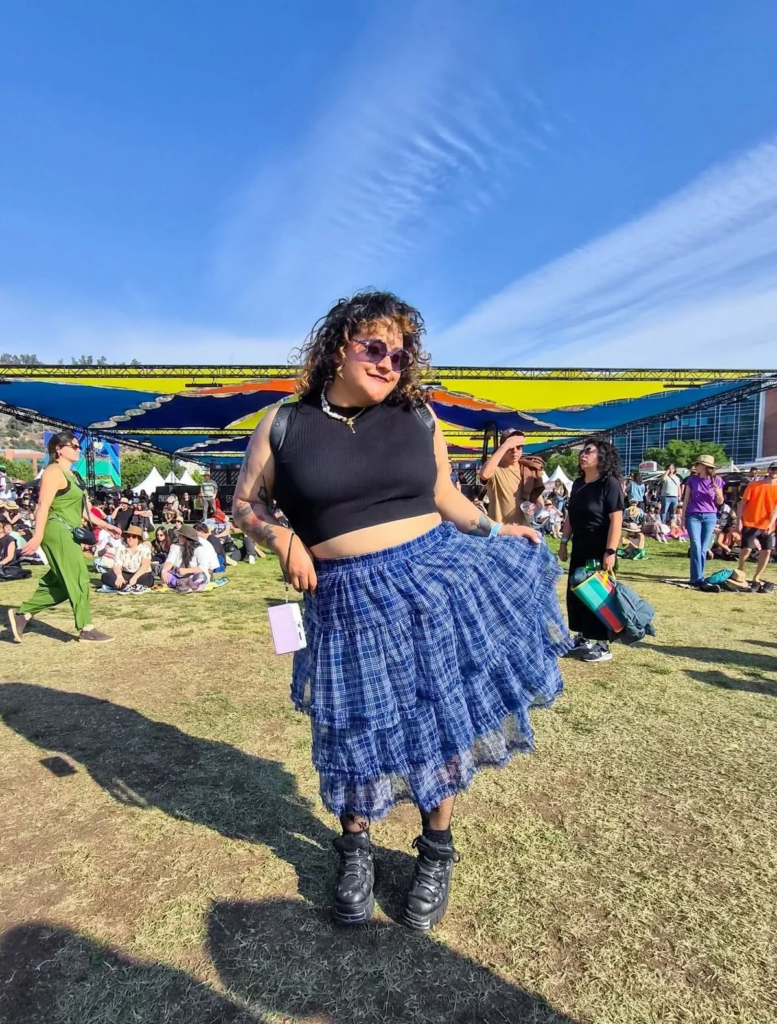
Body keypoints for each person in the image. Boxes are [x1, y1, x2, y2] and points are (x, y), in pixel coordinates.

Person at [232, 290, 571, 932]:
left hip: (430, 581)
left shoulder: (419, 416)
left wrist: (500, 533)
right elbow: (245, 504)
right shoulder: (282, 423)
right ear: (339, 346)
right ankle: (355, 851)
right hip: (342, 596)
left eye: (402, 353)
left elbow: (446, 495)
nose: (390, 362)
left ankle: (436, 852)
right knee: (352, 726)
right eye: (376, 347)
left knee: (435, 717)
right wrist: (284, 539)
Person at [7, 430, 119, 643]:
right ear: (58, 449)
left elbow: (84, 509)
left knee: (60, 581)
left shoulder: (73, 475)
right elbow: (42, 505)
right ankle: (86, 628)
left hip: (69, 531)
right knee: (78, 577)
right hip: (57, 529)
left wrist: (106, 525)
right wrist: (37, 536)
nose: (78, 449)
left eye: (79, 446)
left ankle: (23, 614)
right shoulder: (53, 472)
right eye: (73, 446)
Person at [558, 437, 624, 663]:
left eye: (589, 451)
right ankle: (583, 637)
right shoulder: (578, 483)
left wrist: (611, 551)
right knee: (576, 591)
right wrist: (564, 541)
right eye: (583, 451)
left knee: (597, 594)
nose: (583, 455)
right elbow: (570, 515)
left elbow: (616, 520)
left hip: (600, 545)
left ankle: (602, 644)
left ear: (602, 457)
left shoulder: (610, 483)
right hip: (580, 544)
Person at [479, 430, 546, 526]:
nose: (515, 451)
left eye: (519, 447)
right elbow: (484, 474)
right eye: (510, 448)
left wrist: (535, 507)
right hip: (499, 531)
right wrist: (506, 445)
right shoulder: (495, 469)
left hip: (523, 531)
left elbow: (540, 503)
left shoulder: (528, 470)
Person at [680, 455, 725, 592]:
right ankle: (696, 577)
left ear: (705, 467)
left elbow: (720, 502)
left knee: (704, 547)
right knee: (695, 545)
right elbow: (686, 499)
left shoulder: (717, 481)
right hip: (693, 515)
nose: (696, 466)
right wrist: (682, 517)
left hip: (710, 516)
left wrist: (718, 493)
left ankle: (699, 576)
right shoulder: (692, 480)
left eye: (698, 464)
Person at [736, 462, 777, 593]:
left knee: (767, 551)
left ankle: (757, 577)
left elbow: (776, 509)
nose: (775, 471)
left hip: (766, 524)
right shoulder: (754, 485)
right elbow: (742, 503)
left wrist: (771, 523)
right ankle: (740, 570)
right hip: (750, 521)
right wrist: (739, 521)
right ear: (769, 470)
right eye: (773, 469)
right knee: (747, 549)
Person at [101, 526, 154, 593]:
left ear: (139, 539)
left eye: (134, 536)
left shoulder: (145, 548)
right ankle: (126, 586)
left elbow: (145, 566)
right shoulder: (121, 548)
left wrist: (135, 578)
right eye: (128, 536)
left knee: (148, 579)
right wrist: (119, 576)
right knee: (106, 576)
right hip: (126, 574)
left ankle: (128, 586)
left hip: (140, 573)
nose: (130, 538)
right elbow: (117, 565)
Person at [161, 524, 211, 592]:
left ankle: (182, 584)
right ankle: (181, 583)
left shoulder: (199, 549)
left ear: (185, 538)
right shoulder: (175, 547)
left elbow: (203, 567)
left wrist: (186, 570)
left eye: (180, 536)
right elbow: (170, 561)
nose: (178, 537)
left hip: (193, 575)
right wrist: (164, 571)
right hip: (179, 575)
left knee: (201, 576)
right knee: (165, 572)